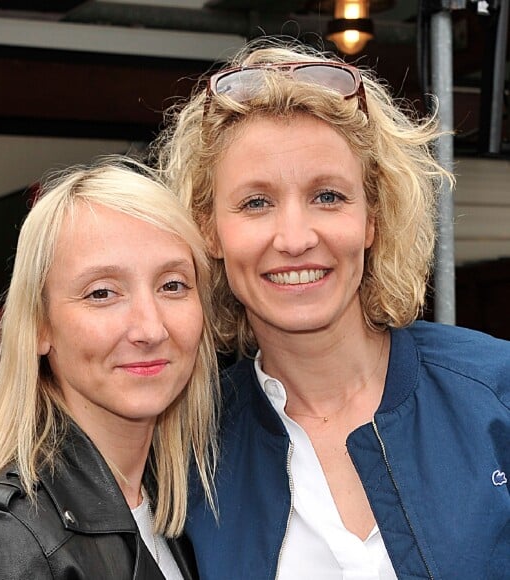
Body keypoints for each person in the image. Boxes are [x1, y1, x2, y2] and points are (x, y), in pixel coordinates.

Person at [154, 37, 510, 579]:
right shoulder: (184, 447)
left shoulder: (496, 392)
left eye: (328, 196)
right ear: (210, 231)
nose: (295, 239)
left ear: (373, 218)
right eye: (256, 203)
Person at [0, 157, 219, 579]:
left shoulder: (178, 508)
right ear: (40, 326)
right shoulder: (10, 546)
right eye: (102, 292)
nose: (150, 327)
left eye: (172, 285)